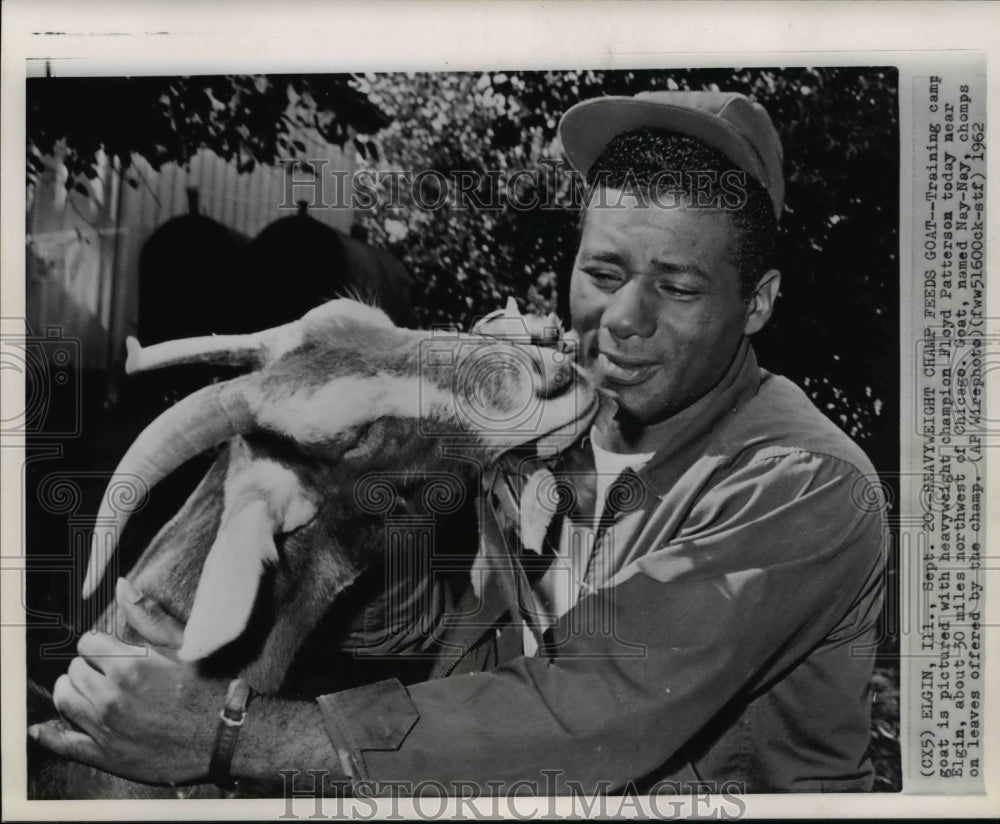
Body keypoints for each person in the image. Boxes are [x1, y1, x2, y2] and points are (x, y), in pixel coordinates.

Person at [32, 90, 886, 795]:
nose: (622, 322)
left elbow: (584, 715)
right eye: (603, 273)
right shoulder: (556, 425)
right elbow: (427, 622)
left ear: (760, 303)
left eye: (679, 286)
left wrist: (226, 736)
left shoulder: (803, 484)